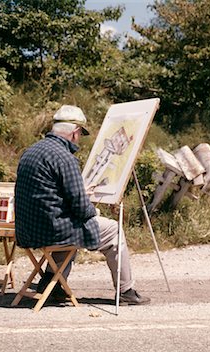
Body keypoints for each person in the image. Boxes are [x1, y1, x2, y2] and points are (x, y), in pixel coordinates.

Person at [14, 105, 150, 305]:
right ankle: (125, 290)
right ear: (75, 132)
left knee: (72, 228)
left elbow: (48, 194)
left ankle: (51, 284)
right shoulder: (64, 157)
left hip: (28, 230)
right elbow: (81, 209)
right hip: (53, 231)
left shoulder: (31, 152)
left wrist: (78, 193)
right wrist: (90, 204)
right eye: (80, 135)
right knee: (113, 230)